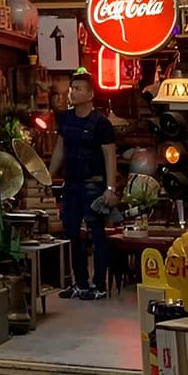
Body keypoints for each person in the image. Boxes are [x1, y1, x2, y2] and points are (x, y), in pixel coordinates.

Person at [50, 70, 118, 300]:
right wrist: (48, 175)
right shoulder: (66, 119)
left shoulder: (101, 123)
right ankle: (80, 283)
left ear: (90, 94)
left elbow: (110, 155)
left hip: (93, 184)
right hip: (71, 184)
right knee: (71, 233)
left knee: (96, 234)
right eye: (72, 88)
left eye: (78, 88)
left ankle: (99, 285)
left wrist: (110, 188)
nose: (73, 92)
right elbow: (60, 149)